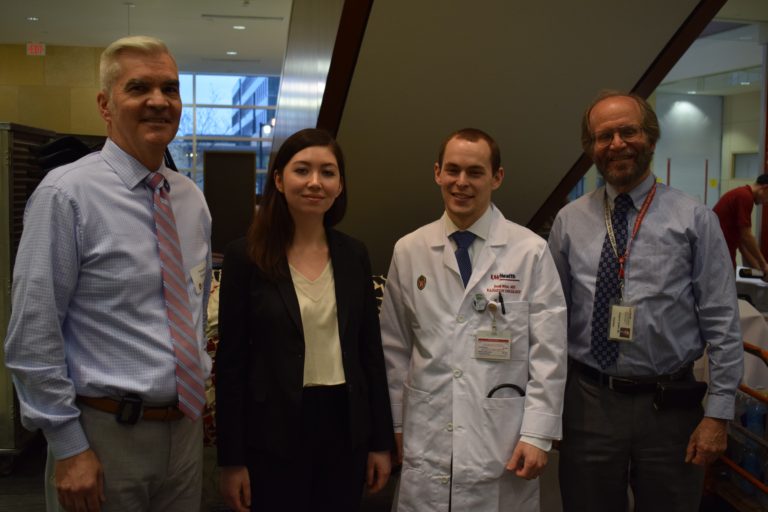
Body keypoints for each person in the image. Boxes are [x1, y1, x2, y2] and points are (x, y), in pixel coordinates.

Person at [3, 35, 211, 512]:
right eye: (139, 88)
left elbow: (192, 309)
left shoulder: (190, 199)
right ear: (105, 104)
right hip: (102, 435)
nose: (159, 101)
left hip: (183, 434)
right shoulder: (65, 196)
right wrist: (68, 444)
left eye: (170, 89)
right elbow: (33, 335)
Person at [548, 91, 743, 511]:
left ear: (651, 138)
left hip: (670, 408)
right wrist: (546, 409)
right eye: (604, 136)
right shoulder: (569, 221)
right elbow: (550, 322)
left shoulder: (694, 219)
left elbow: (723, 323)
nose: (616, 143)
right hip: (588, 403)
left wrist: (718, 414)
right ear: (591, 149)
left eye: (628, 131)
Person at [380, 128, 567, 511]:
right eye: (452, 170)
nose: (461, 182)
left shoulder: (529, 251)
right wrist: (396, 425)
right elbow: (394, 348)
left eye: (475, 172)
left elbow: (549, 352)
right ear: (437, 173)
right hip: (426, 428)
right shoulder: (410, 249)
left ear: (496, 177)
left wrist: (538, 434)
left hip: (502, 435)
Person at [215, 128, 394, 512]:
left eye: (328, 172)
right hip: (272, 433)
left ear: (340, 184)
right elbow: (230, 364)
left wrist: (381, 442)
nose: (315, 182)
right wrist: (231, 460)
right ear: (279, 179)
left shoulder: (354, 255)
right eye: (302, 170)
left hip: (345, 428)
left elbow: (370, 354)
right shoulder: (245, 257)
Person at [713, 174, 768, 275]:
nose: (766, 202)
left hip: (722, 257)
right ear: (765, 188)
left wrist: (761, 271)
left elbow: (742, 244)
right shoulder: (745, 196)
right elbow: (746, 236)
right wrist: (764, 264)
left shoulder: (741, 194)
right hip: (719, 258)